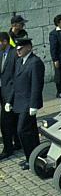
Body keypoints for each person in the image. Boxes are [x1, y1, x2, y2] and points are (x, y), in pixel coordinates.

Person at [6, 37, 44, 170]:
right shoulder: (19, 61)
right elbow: (15, 83)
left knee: (22, 130)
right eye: (17, 49)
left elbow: (36, 85)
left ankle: (31, 158)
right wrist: (9, 101)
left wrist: (34, 104)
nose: (18, 51)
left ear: (28, 47)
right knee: (31, 131)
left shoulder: (35, 62)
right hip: (19, 101)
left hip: (28, 103)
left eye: (21, 49)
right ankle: (34, 157)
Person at [0, 32, 18, 160]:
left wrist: (10, 98)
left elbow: (15, 78)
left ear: (5, 42)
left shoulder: (14, 54)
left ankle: (8, 149)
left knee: (6, 122)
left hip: (10, 94)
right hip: (1, 92)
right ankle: (17, 143)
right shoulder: (0, 53)